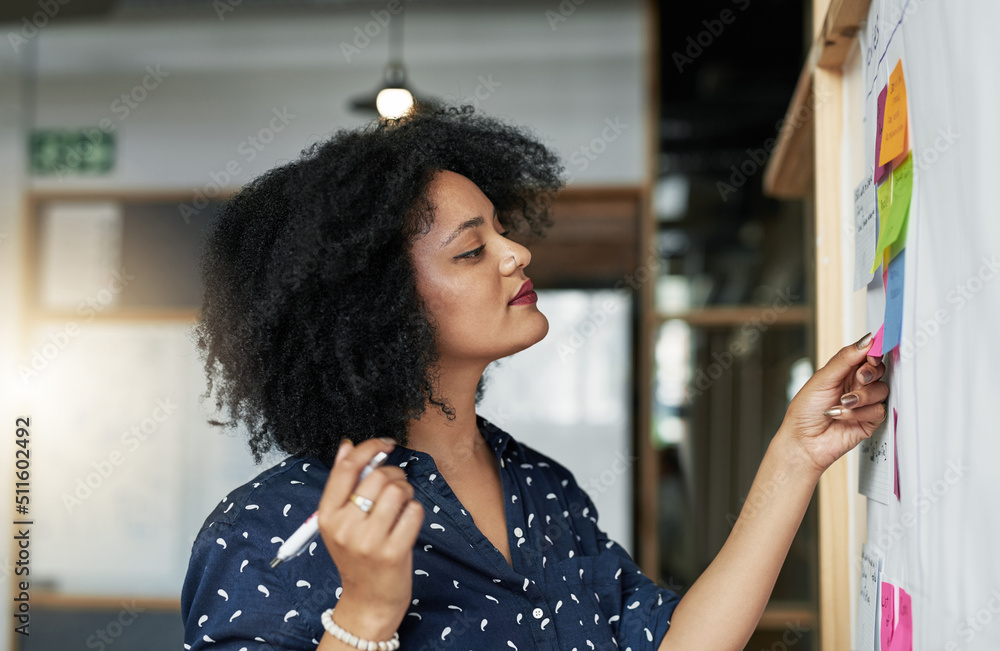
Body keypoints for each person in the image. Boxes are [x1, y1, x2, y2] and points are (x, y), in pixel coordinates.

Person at [181, 103, 887, 651]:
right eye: (471, 250)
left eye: (500, 228)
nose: (517, 252)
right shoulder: (267, 531)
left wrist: (796, 455)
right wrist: (365, 611)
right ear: (380, 306)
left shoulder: (541, 487)